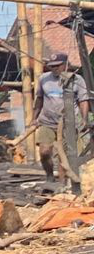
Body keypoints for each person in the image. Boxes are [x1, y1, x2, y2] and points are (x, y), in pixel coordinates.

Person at [33, 52, 90, 189]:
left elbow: (83, 101)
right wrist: (34, 118)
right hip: (47, 121)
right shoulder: (44, 79)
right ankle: (49, 176)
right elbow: (39, 99)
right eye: (52, 66)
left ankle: (62, 185)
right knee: (44, 151)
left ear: (66, 65)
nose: (54, 69)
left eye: (58, 66)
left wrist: (84, 119)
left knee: (63, 157)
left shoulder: (77, 80)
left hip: (69, 124)